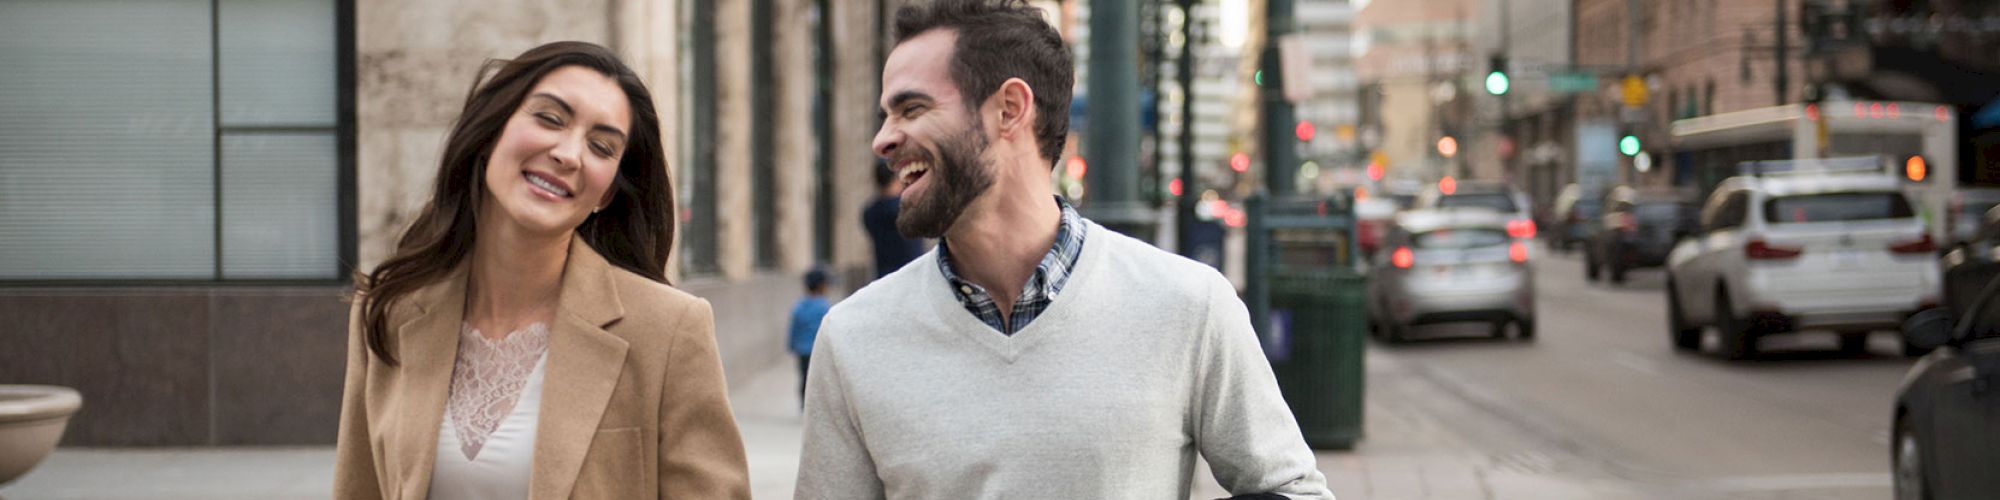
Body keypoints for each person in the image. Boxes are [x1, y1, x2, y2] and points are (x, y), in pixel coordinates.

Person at [793, 1, 1333, 498]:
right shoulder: (853, 339)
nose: (883, 139)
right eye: (887, 114)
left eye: (911, 109)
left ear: (1008, 109)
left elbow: (1295, 490)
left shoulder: (1188, 305)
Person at [333, 41, 749, 499]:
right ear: (490, 134)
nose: (569, 154)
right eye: (550, 119)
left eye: (601, 146)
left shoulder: (667, 328)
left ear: (607, 194)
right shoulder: (388, 308)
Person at [863, 161, 924, 278]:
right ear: (896, 179)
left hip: (884, 275)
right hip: (911, 274)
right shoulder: (906, 209)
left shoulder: (870, 212)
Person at [788, 266, 833, 405]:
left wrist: (791, 345)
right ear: (821, 286)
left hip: (802, 350)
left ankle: (804, 404)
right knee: (818, 380)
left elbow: (793, 328)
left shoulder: (799, 306)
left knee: (804, 377)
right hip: (818, 351)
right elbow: (828, 331)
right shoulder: (824, 307)